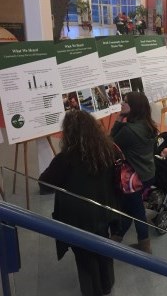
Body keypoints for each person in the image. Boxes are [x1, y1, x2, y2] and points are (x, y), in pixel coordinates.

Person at [39, 110, 121, 296]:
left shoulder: (65, 159)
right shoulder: (108, 150)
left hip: (77, 218)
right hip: (104, 212)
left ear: (69, 133)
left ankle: (93, 291)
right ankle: (107, 285)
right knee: (104, 249)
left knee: (85, 257)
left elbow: (44, 183)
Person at [109, 91, 158, 253]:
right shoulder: (148, 125)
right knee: (131, 208)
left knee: (136, 211)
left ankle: (144, 245)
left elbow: (109, 142)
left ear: (134, 107)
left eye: (126, 102)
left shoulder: (129, 131)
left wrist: (118, 118)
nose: (122, 104)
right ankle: (117, 237)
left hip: (133, 178)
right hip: (148, 173)